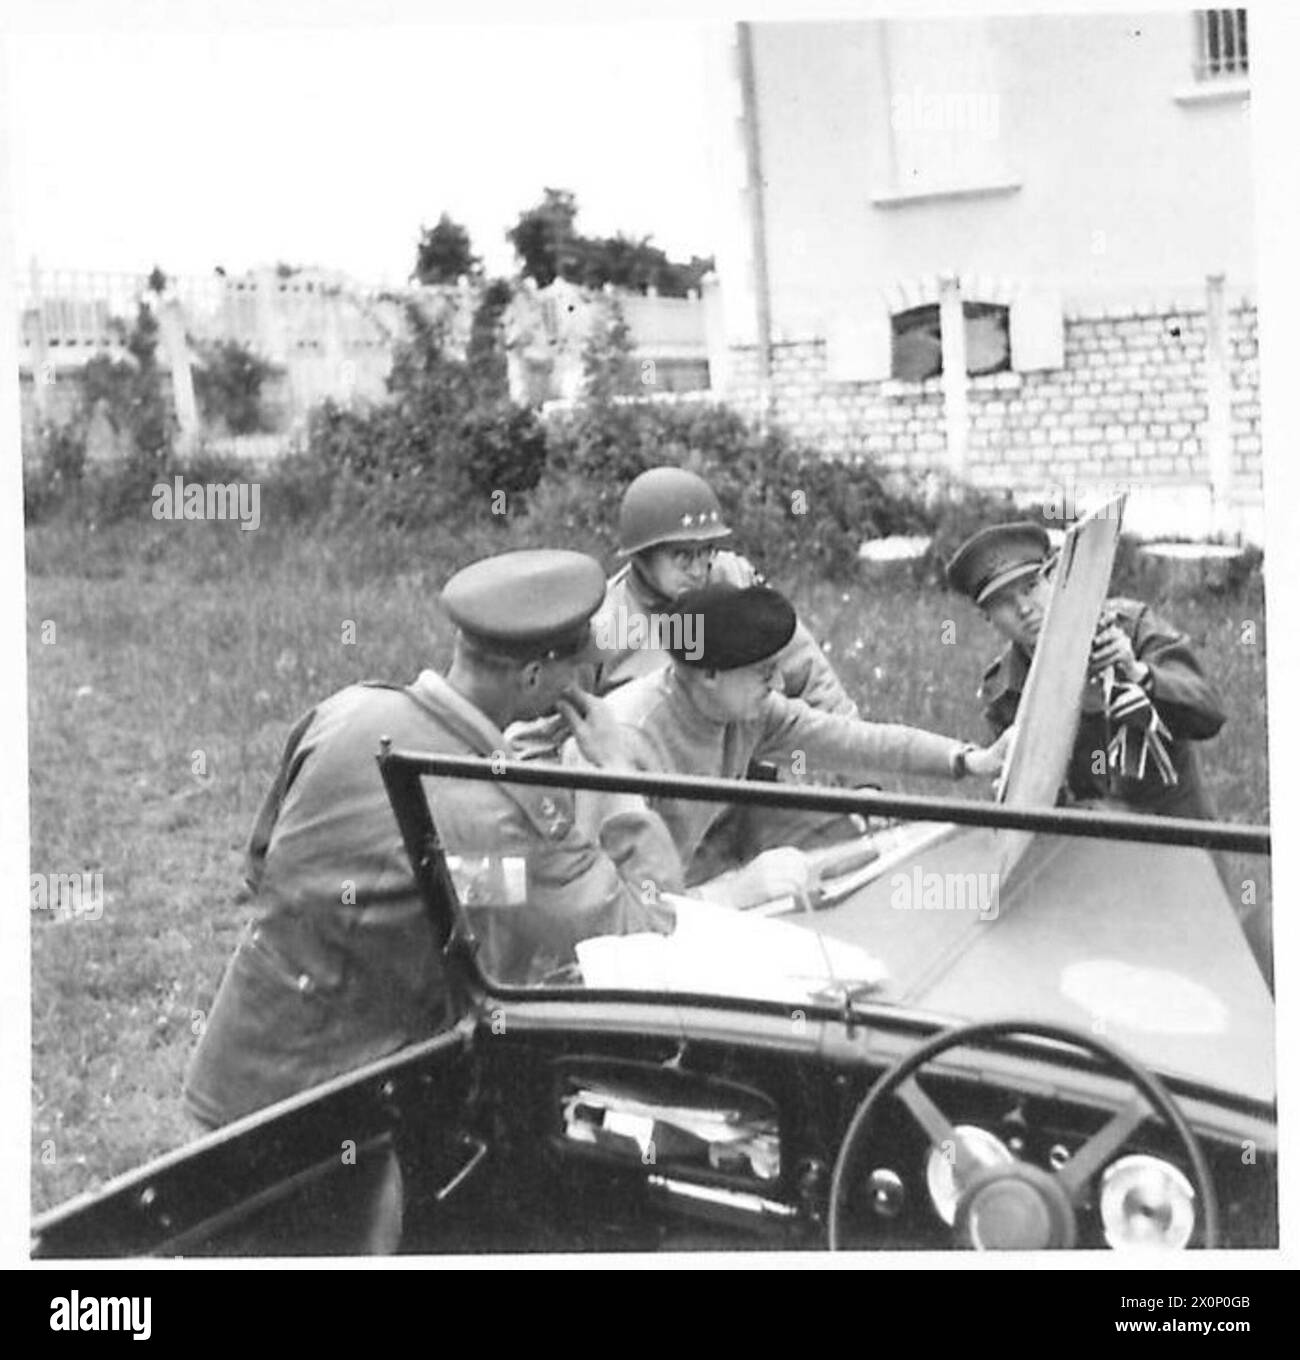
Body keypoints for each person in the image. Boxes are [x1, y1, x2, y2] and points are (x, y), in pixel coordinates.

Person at [184, 549, 681, 1138]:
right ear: (532, 678)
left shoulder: (348, 709)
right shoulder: (503, 815)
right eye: (580, 670)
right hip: (334, 1120)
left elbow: (263, 862)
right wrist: (617, 775)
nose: (589, 685)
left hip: (233, 1075)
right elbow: (650, 929)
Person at [565, 582, 1009, 908]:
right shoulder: (622, 742)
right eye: (762, 672)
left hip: (677, 894)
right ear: (709, 674)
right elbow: (609, 908)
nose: (777, 683)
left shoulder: (746, 712)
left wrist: (968, 760)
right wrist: (736, 892)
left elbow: (853, 740)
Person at [514, 465, 867, 870]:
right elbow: (533, 743)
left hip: (749, 788)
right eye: (683, 556)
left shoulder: (734, 581)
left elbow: (809, 675)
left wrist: (862, 785)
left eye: (706, 552)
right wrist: (564, 836)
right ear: (642, 556)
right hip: (662, 820)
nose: (700, 570)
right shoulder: (605, 625)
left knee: (846, 857)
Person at [945, 522, 1227, 820]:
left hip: (1174, 831)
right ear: (987, 617)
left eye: (1031, 587)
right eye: (1003, 602)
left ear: (1055, 579)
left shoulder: (1130, 627)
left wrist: (1138, 673)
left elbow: (1209, 714)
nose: (1024, 608)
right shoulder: (1006, 690)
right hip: (1083, 845)